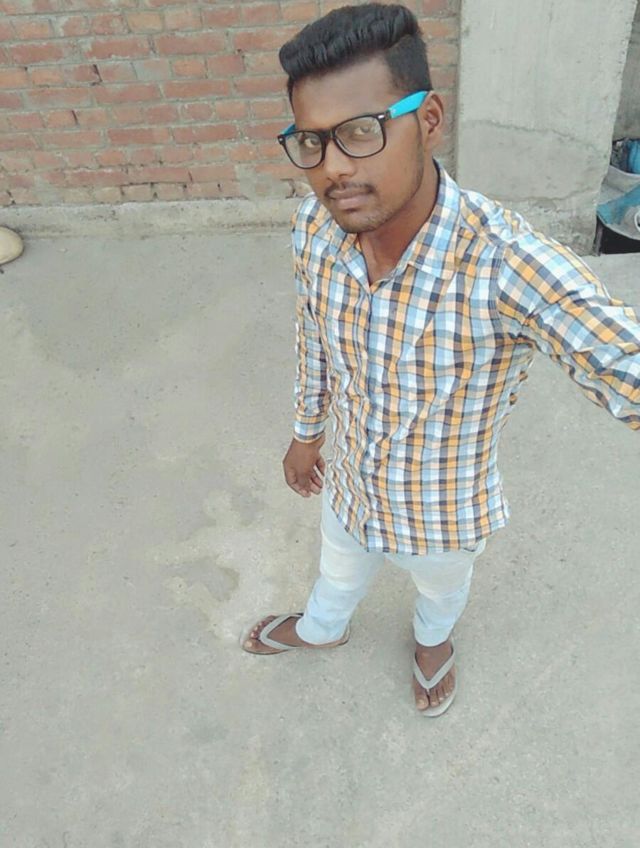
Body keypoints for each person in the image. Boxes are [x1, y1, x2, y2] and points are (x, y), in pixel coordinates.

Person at [240, 2, 640, 716]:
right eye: (311, 142)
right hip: (350, 485)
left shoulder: (506, 265)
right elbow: (312, 334)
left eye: (361, 132)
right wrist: (306, 432)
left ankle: (432, 644)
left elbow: (619, 356)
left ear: (428, 119)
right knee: (336, 574)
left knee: (441, 592)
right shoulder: (315, 229)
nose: (333, 169)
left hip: (442, 510)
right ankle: (322, 629)